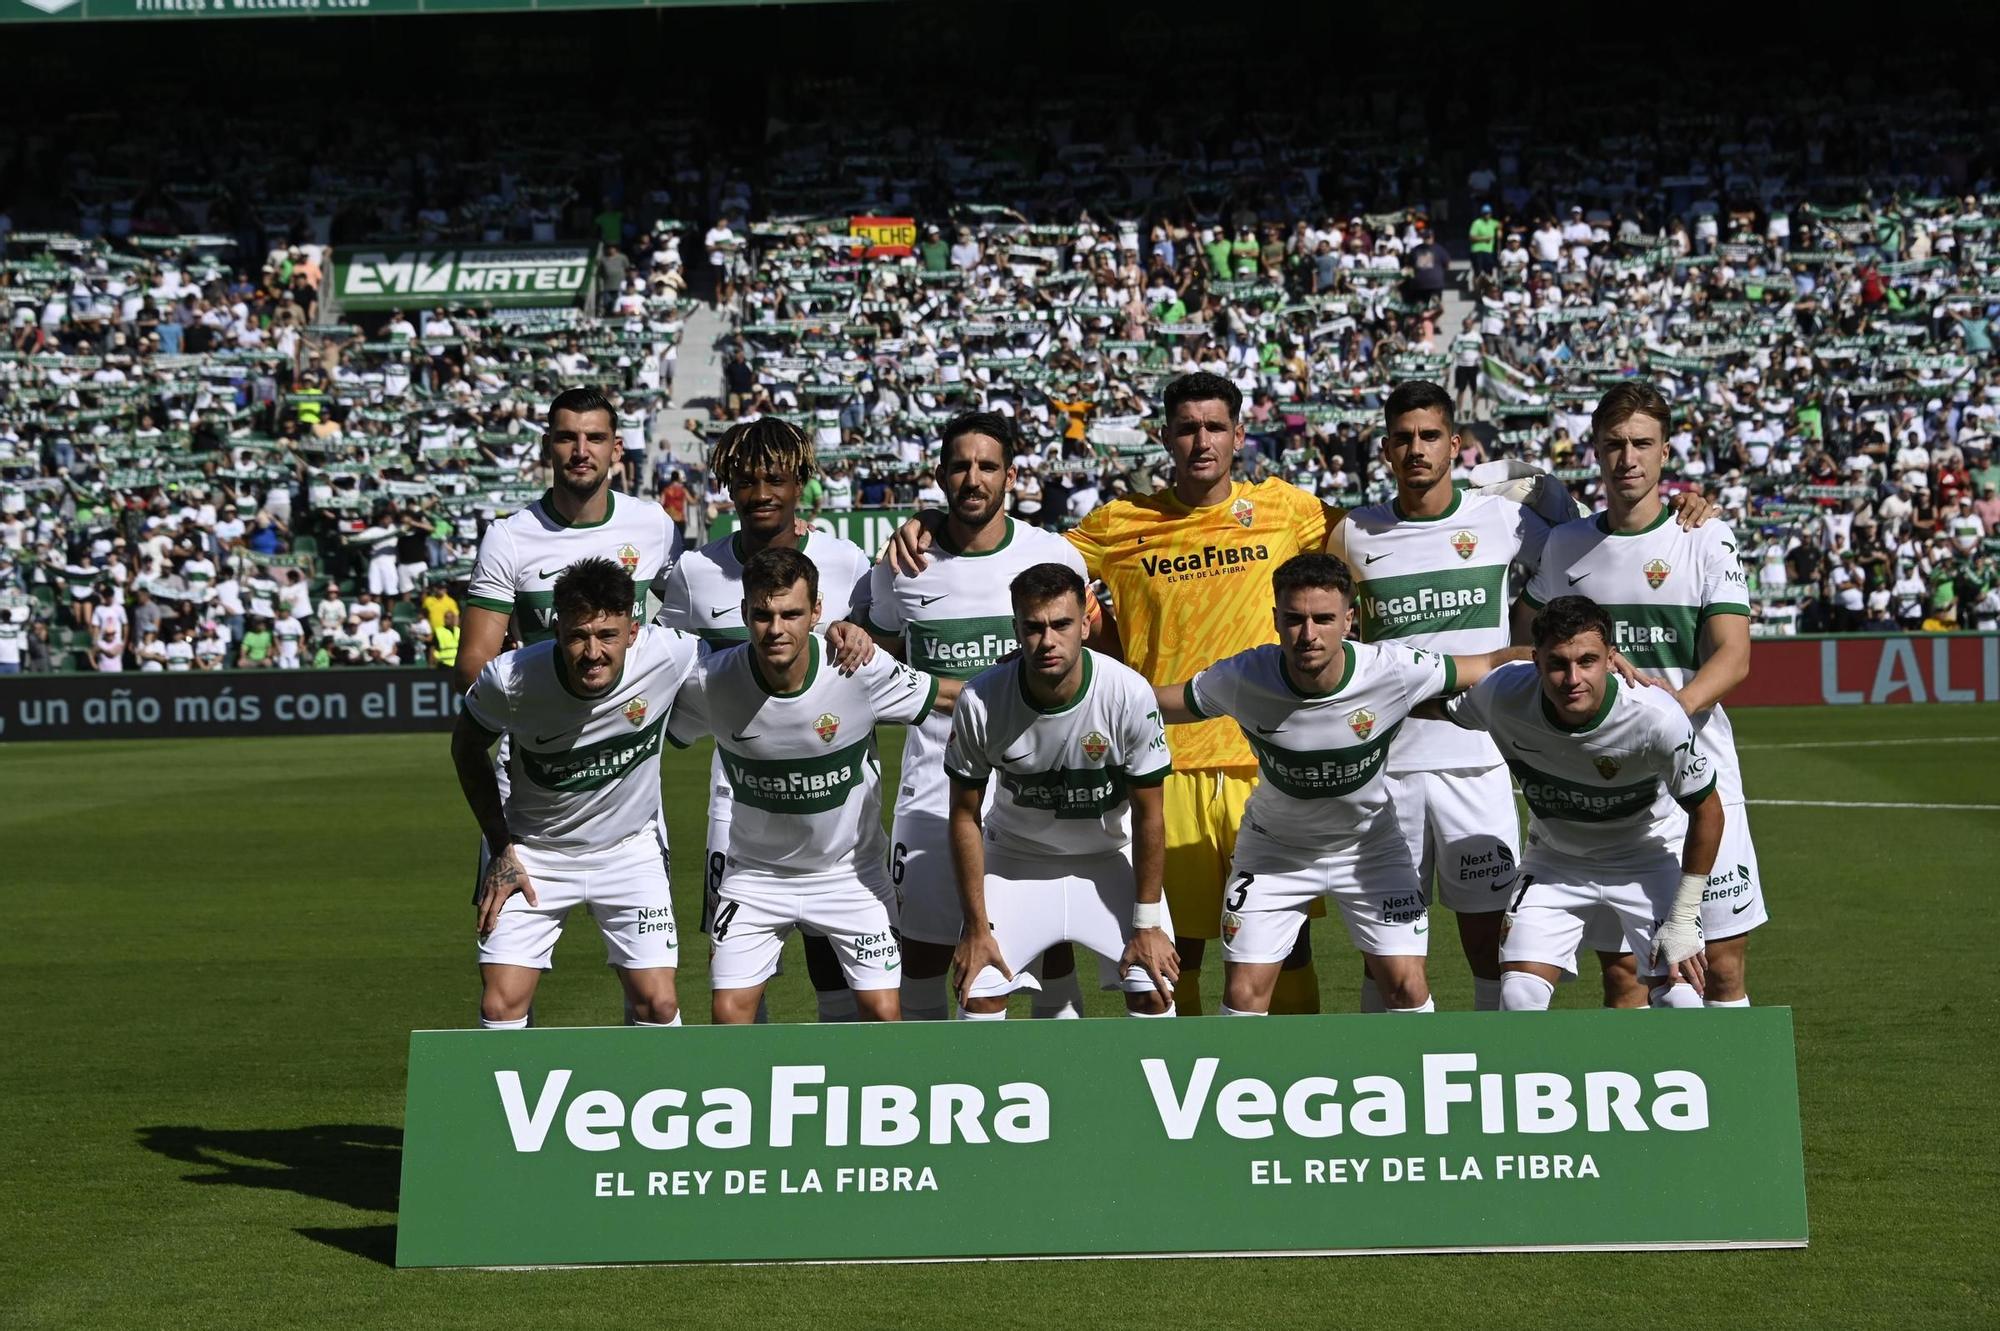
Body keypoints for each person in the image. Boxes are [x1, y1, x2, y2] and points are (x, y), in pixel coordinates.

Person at [890, 371, 1339, 1015]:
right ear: (1163, 436)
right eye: (1187, 429)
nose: (1202, 441)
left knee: (1284, 947)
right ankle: (1180, 1071)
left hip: (1265, 762)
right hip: (1167, 765)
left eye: (1215, 427)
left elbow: (1376, 537)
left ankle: (1294, 1069)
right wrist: (933, 521)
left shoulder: (1289, 510)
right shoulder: (1119, 524)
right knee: (1174, 953)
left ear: (1240, 435)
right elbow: (1007, 552)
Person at [1152, 554, 1527, 1016]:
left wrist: (1572, 663)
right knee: (1244, 996)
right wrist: (1088, 688)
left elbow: (1489, 662)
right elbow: (1159, 703)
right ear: (1275, 619)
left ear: (1349, 620)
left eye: (1324, 619)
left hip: (1370, 850)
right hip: (1274, 854)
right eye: (1294, 619)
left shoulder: (1392, 668)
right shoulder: (1242, 676)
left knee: (1407, 989)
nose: (1308, 634)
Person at [1519, 380, 1763, 1008]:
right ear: (1596, 451)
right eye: (1614, 444)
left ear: (1664, 451)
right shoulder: (1565, 545)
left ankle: (1725, 1077)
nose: (1627, 458)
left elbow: (1733, 656)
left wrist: (1663, 716)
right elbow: (1527, 645)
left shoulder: (1704, 535)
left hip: (1701, 772)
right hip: (1606, 784)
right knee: (1626, 971)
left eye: (1642, 443)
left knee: (1719, 963)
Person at [457, 386, 685, 1017]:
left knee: (654, 996)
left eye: (594, 438)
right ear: (548, 447)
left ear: (617, 449)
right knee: (503, 997)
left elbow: (695, 616)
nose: (580, 450)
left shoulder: (653, 527)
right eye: (566, 437)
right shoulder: (509, 538)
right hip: (533, 786)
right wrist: (546, 685)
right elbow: (474, 667)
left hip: (625, 790)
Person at [863, 412, 1095, 1020]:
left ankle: (1061, 1077)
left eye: (988, 466)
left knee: (1050, 954)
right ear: (940, 475)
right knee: (922, 958)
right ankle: (931, 1080)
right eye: (960, 466)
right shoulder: (901, 566)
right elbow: (879, 664)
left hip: (1034, 793)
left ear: (1011, 477)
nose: (973, 479)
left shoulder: (1052, 555)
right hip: (931, 796)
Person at [664, 547, 959, 1024]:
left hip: (852, 876)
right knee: (728, 1014)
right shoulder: (711, 683)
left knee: (885, 1015)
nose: (775, 629)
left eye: (791, 614)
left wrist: (1027, 691)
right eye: (762, 615)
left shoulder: (858, 669)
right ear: (744, 612)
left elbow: (947, 697)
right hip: (757, 877)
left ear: (817, 611)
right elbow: (648, 728)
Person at [659, 416, 878, 1023]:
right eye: (746, 480)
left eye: (775, 479)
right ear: (727, 486)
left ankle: (841, 1076)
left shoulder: (845, 562)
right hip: (740, 799)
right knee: (737, 971)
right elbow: (667, 670)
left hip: (837, 796)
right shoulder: (695, 573)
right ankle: (750, 1078)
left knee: (838, 963)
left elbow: (877, 659)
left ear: (800, 482)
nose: (761, 494)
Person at [1431, 595, 1722, 1010]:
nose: (1572, 678)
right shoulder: (1503, 693)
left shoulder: (1656, 717)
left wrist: (1684, 914)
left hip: (1647, 859)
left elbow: (1708, 810)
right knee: (1518, 996)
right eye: (1557, 663)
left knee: (1682, 1001)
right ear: (1535, 661)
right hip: (1556, 863)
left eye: (1587, 661)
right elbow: (1430, 705)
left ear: (1611, 659)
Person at [451, 559, 700, 1030]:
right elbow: (465, 746)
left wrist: (836, 631)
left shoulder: (668, 653)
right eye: (578, 636)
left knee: (659, 1004)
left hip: (629, 852)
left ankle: (648, 1082)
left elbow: (749, 656)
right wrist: (501, 848)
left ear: (633, 631)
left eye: (607, 635)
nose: (592, 652)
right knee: (500, 1005)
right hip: (533, 854)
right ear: (556, 631)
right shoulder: (510, 679)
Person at [945, 562, 1178, 1019]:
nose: (1047, 640)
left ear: (1086, 625)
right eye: (1033, 627)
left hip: (1109, 857)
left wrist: (1148, 924)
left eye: (1061, 624)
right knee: (977, 992)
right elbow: (963, 816)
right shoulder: (980, 700)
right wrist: (975, 927)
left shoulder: (1128, 693)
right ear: (1016, 629)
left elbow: (1150, 815)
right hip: (1015, 860)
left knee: (1155, 989)